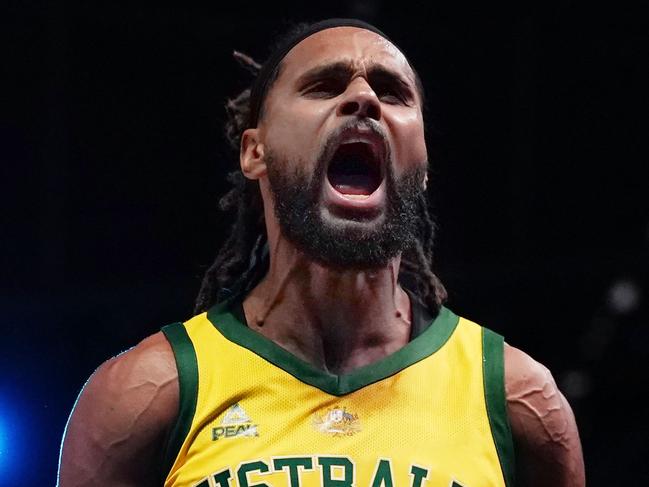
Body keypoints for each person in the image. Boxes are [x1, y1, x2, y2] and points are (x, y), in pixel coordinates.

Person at [58, 19, 585, 487]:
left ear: (421, 165)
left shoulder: (515, 397)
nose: (364, 99)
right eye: (325, 85)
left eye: (392, 91)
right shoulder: (146, 395)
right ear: (254, 151)